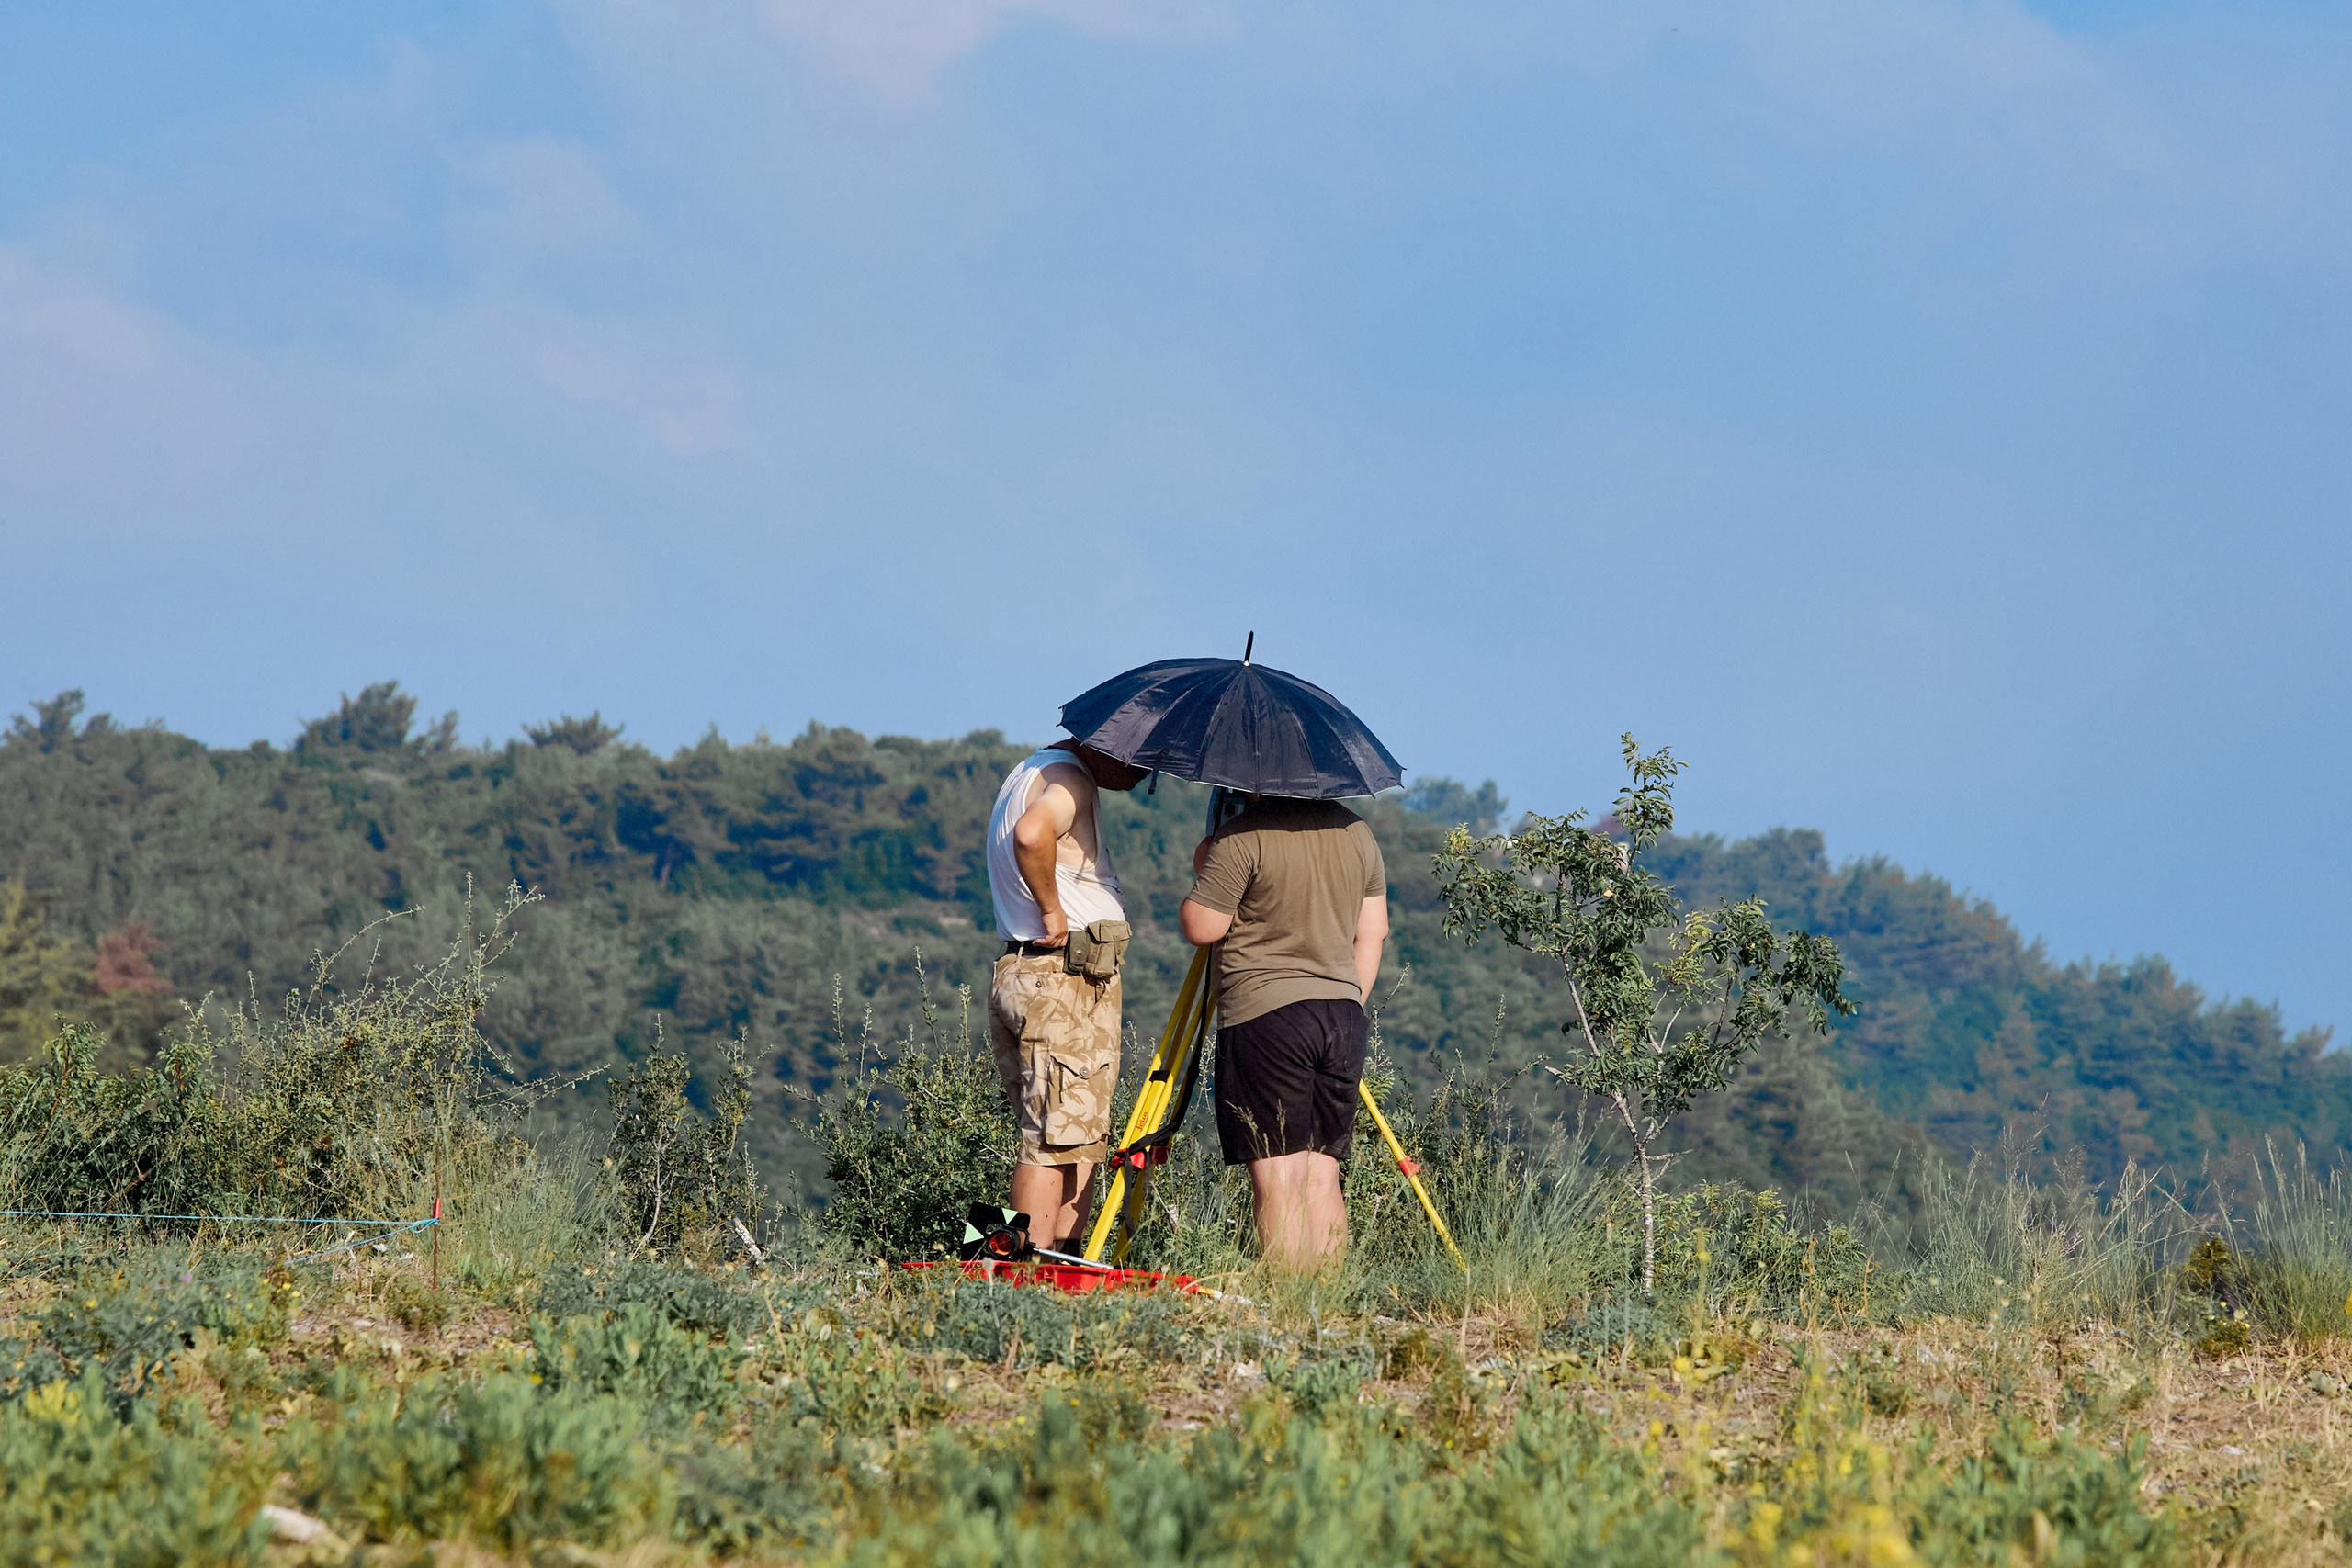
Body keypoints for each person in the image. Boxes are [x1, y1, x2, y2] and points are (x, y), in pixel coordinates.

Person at [1179, 794, 1388, 1269]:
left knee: (1278, 1176)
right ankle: (1326, 1303)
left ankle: (1287, 1301)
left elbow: (1202, 926)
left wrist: (1203, 866)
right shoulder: (1357, 832)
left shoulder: (1242, 836)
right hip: (1342, 1016)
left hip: (1266, 1014)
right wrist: (1351, 999)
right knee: (1321, 1174)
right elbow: (1373, 930)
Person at [983, 735, 1149, 1250]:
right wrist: (1053, 909)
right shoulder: (1070, 779)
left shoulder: (1026, 773)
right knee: (1050, 1145)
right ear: (1109, 745)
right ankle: (1018, 1280)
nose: (1144, 776)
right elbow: (1033, 835)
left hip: (1025, 972)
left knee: (1067, 1137)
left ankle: (1041, 1265)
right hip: (1063, 982)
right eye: (1141, 760)